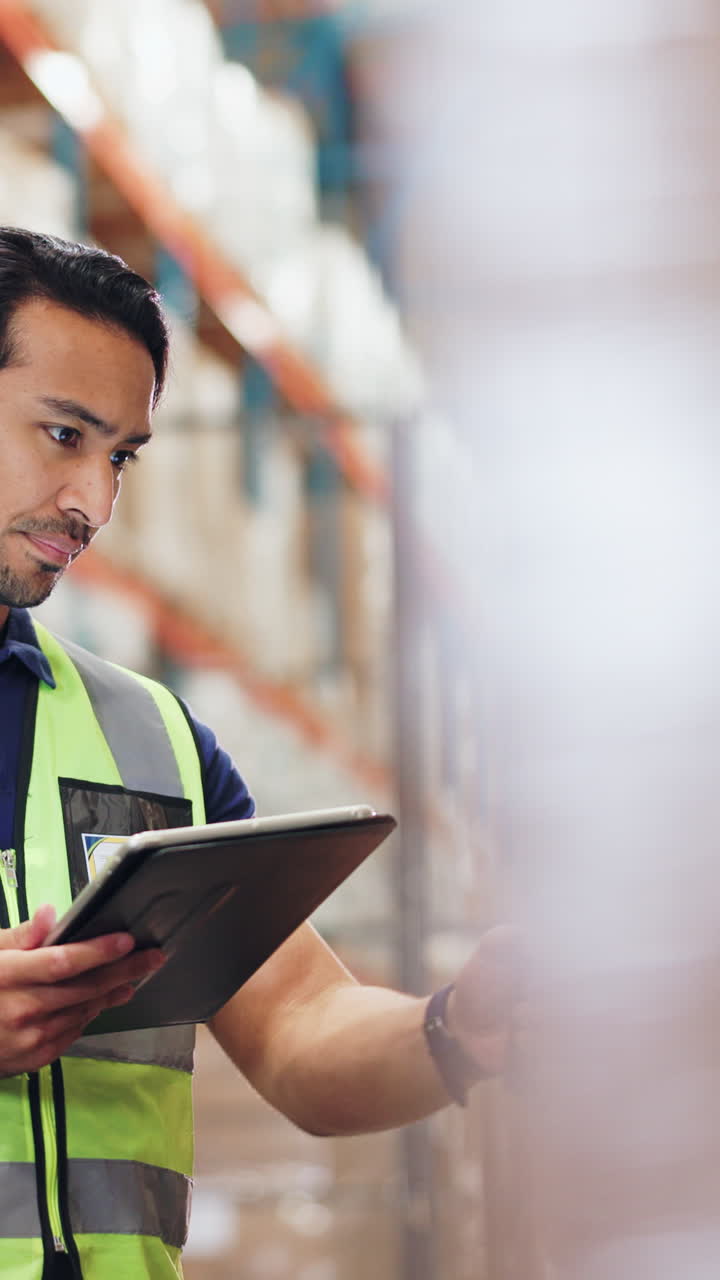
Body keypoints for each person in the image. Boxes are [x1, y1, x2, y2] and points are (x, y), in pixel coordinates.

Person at [0, 227, 523, 1279]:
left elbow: (298, 1026)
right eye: (64, 435)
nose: (95, 504)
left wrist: (459, 1028)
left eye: (121, 458)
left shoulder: (148, 741)